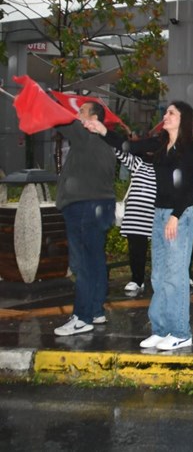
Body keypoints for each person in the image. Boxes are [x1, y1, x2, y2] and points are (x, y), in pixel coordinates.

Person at [88, 101, 193, 351]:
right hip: (159, 214)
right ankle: (161, 330)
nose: (166, 116)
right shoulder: (160, 144)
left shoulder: (192, 149)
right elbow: (130, 146)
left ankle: (181, 332)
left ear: (184, 119)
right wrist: (103, 131)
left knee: (175, 275)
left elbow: (188, 186)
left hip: (179, 215)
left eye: (172, 112)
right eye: (167, 112)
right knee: (159, 275)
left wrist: (175, 215)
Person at [53, 101, 118, 336]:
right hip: (100, 205)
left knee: (83, 264)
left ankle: (82, 316)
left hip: (83, 206)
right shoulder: (106, 140)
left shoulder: (86, 132)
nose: (77, 115)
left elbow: (57, 117)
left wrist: (38, 96)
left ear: (93, 118)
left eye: (81, 111)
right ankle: (95, 309)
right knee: (95, 260)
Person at [114, 146, 157, 296]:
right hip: (135, 215)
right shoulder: (138, 163)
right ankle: (137, 279)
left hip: (154, 215)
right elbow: (119, 152)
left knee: (159, 250)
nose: (150, 152)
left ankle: (161, 279)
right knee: (136, 250)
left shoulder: (164, 166)